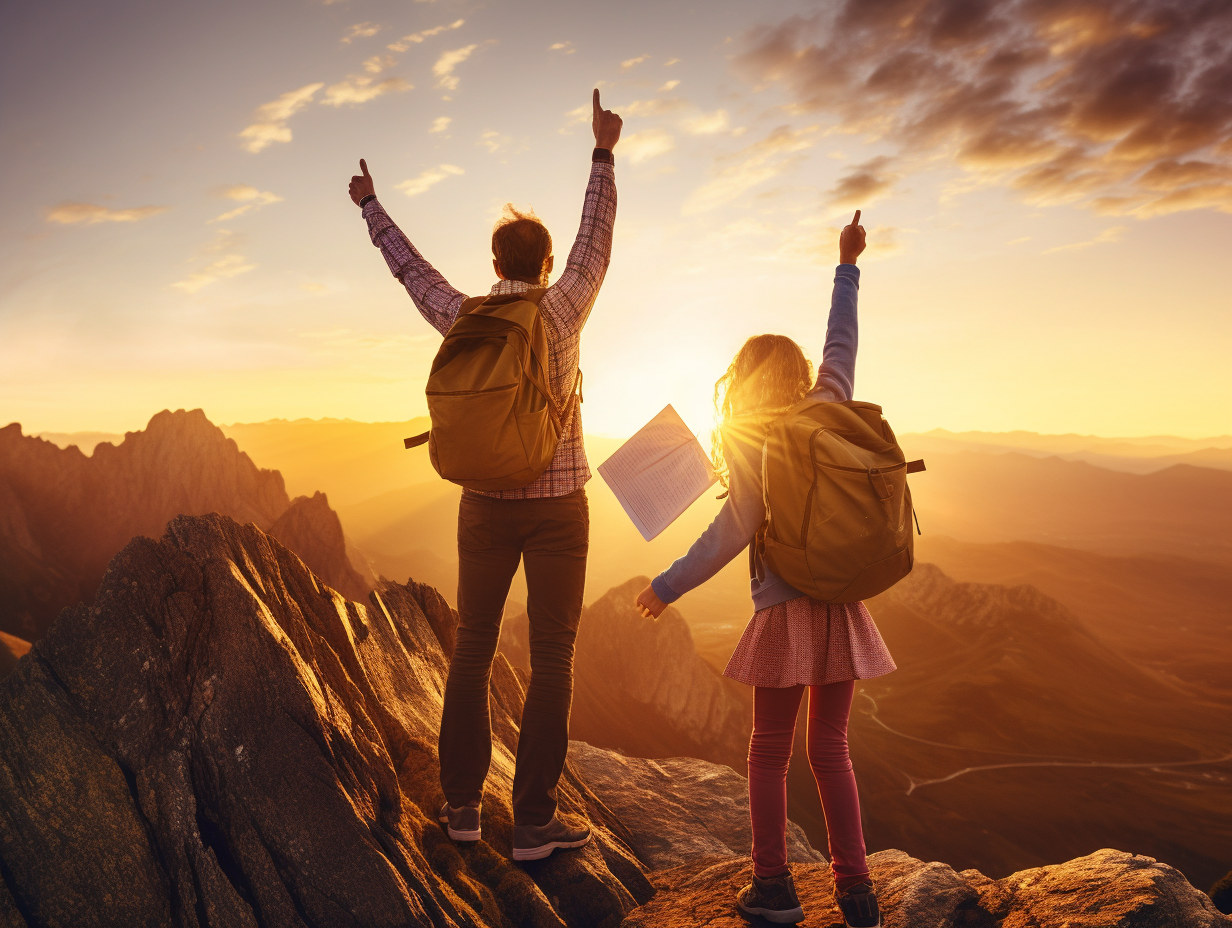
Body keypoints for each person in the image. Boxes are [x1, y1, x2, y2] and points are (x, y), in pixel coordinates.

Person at [348, 89, 622, 862]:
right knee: (553, 660)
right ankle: (534, 822)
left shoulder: (466, 314)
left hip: (482, 507)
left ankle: (463, 809)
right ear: (543, 265)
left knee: (470, 652)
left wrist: (372, 205)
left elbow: (411, 272)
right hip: (560, 506)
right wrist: (602, 153)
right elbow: (595, 243)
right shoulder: (563, 311)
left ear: (495, 265)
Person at [634, 212, 890, 928]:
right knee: (832, 751)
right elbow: (843, 339)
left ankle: (774, 887)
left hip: (783, 609)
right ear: (802, 373)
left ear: (744, 382)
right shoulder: (829, 404)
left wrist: (666, 585)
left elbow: (731, 530)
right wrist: (846, 263)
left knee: (769, 755)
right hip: (840, 604)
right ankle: (857, 890)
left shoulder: (753, 438)